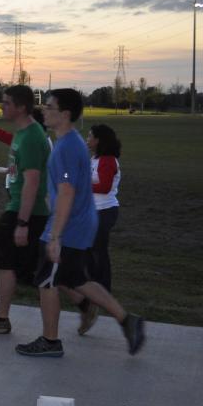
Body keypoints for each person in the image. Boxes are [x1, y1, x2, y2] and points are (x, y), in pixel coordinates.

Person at [16, 89, 144, 358]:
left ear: (64, 114)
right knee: (74, 278)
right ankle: (125, 319)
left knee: (46, 281)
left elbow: (66, 192)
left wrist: (55, 236)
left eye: (49, 106)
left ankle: (50, 341)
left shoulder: (65, 148)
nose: (44, 110)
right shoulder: (71, 142)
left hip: (69, 226)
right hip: (78, 222)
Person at [0, 86, 51, 335]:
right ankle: (84, 301)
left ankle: (1, 318)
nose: (2, 107)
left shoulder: (33, 136)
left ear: (21, 107)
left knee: (5, 262)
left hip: (23, 211)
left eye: (6, 103)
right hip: (22, 208)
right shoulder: (22, 133)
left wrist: (22, 223)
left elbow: (33, 181)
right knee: (36, 268)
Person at [71, 124, 122, 335]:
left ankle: (102, 292)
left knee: (98, 251)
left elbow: (104, 186)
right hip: (91, 212)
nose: (87, 138)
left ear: (99, 140)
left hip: (104, 211)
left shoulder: (108, 160)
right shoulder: (93, 159)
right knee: (88, 251)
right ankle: (93, 291)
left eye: (90, 136)